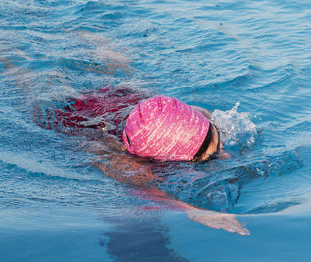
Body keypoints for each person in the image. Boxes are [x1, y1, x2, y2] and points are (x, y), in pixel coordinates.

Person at [33, 85, 249, 235]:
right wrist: (192, 210)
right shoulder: (126, 163)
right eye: (211, 156)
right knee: (27, 93)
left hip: (124, 99)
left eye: (218, 137)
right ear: (173, 161)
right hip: (76, 116)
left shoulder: (193, 117)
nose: (226, 152)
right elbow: (143, 187)